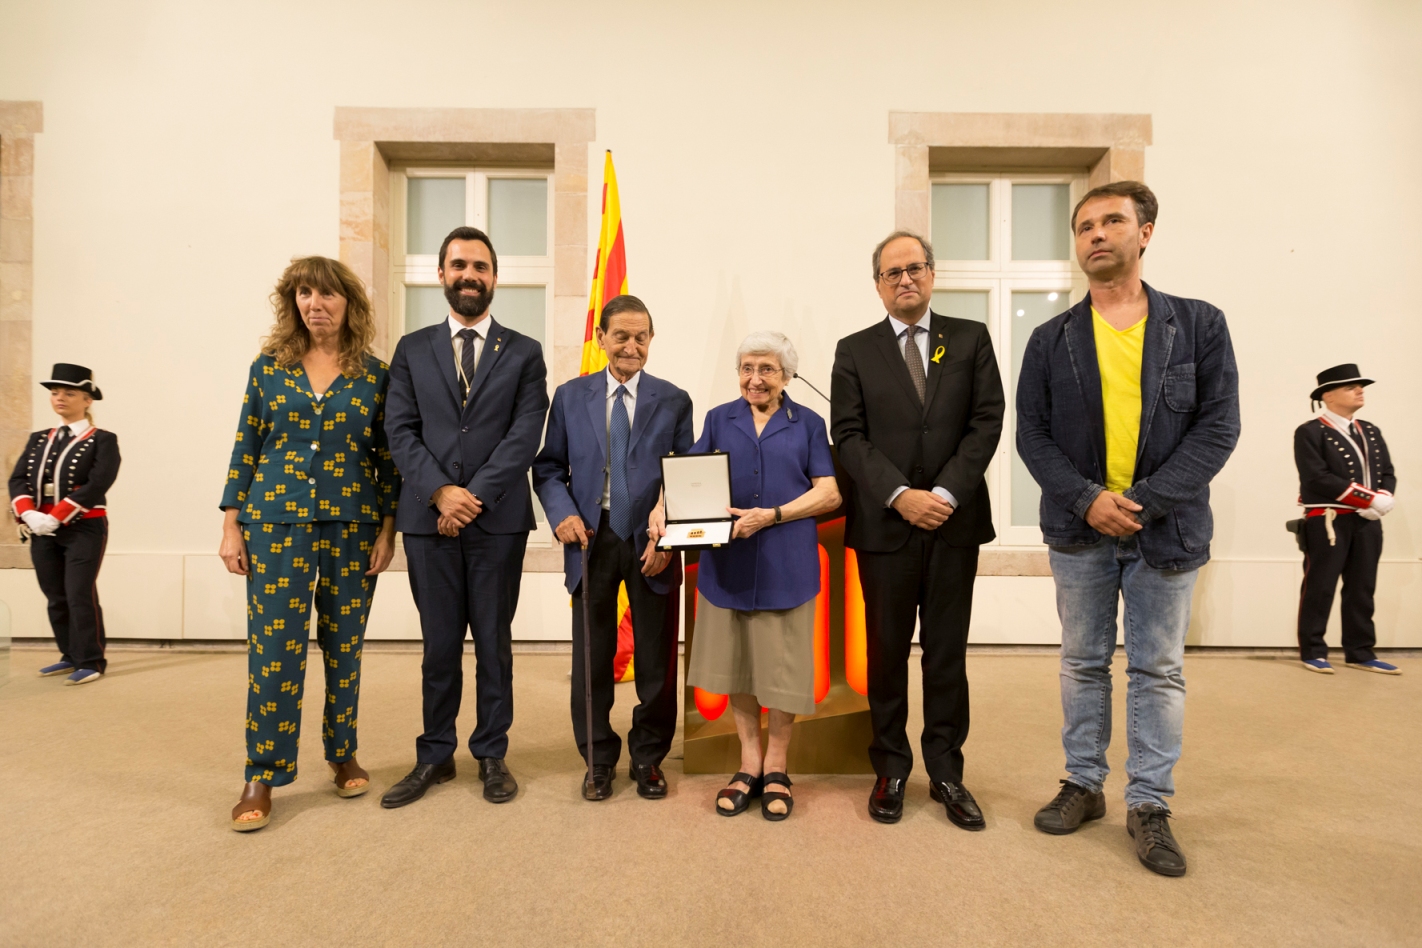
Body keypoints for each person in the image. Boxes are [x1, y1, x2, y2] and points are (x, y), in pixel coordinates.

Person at [1016, 181, 1240, 877]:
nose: (1096, 234)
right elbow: (1033, 434)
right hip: (1081, 533)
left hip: (1165, 533)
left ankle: (1148, 804)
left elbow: (1217, 429)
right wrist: (1088, 499)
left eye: (1112, 221)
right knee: (1082, 663)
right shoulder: (1051, 338)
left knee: (1158, 670)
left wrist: (1139, 501)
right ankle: (1083, 783)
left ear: (1146, 232)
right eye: (1084, 226)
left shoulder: (1198, 325)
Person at [219, 256, 399, 832]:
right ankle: (262, 773)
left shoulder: (376, 374)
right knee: (275, 652)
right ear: (292, 301)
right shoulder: (268, 369)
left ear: (350, 304)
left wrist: (388, 530)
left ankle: (341, 751)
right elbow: (246, 443)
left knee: (345, 647)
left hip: (353, 524)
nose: (314, 304)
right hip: (274, 525)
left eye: (326, 295)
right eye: (304, 294)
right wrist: (231, 524)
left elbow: (387, 459)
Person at [831, 235, 1003, 830]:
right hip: (887, 527)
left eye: (914, 268)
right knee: (885, 654)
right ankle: (892, 767)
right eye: (891, 272)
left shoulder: (971, 338)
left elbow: (987, 421)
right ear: (877, 284)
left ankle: (947, 771)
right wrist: (902, 496)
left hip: (954, 525)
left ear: (932, 274)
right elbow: (849, 437)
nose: (904, 279)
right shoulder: (854, 351)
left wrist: (945, 494)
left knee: (946, 654)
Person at [381, 226, 549, 809]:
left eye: (480, 266)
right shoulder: (410, 348)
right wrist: (439, 494)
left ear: (495, 278)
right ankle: (434, 756)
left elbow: (525, 433)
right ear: (442, 275)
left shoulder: (525, 352)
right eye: (459, 265)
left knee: (494, 645)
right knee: (438, 645)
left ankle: (492, 753)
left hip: (497, 521)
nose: (469, 275)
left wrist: (470, 497)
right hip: (427, 522)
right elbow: (398, 431)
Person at [655, 332, 839, 820]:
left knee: (781, 670)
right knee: (736, 665)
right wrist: (660, 506)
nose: (754, 379)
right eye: (747, 368)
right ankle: (748, 763)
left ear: (787, 376)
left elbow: (830, 493)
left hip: (787, 563)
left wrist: (771, 514)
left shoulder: (809, 423)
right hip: (728, 564)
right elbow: (689, 474)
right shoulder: (719, 419)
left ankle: (777, 767)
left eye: (767, 369)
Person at [533, 295, 693, 801]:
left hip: (652, 542)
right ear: (601, 338)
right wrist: (561, 514)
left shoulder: (674, 400)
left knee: (656, 661)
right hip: (591, 539)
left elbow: (688, 476)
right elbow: (549, 468)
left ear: (651, 340)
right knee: (592, 658)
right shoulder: (570, 395)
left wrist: (667, 533)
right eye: (620, 336)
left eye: (640, 336)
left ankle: (648, 757)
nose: (630, 346)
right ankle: (598, 757)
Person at [9, 364, 121, 686]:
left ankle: (91, 660)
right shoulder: (39, 438)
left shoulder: (103, 440)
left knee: (78, 594)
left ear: (87, 400)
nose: (60, 398)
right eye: (55, 392)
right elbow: (18, 479)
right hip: (40, 528)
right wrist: (29, 514)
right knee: (55, 595)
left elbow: (98, 483)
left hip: (84, 528)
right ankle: (69, 655)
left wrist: (55, 516)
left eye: (69, 393)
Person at [1294, 364, 1399, 675]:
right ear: (1328, 395)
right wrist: (1368, 499)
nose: (1359, 390)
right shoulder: (1310, 432)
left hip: (1368, 521)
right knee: (1320, 586)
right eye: (1350, 386)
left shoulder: (1370, 430)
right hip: (1329, 521)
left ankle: (1360, 651)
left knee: (1362, 587)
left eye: (1360, 386)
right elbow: (1317, 478)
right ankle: (1313, 650)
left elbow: (1387, 472)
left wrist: (1384, 500)